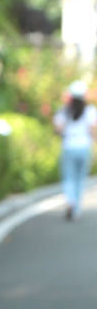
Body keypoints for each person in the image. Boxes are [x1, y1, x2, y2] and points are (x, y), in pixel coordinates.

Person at [53, 79, 96, 220]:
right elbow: (93, 131)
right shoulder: (90, 111)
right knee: (80, 179)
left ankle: (70, 201)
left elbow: (58, 129)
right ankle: (76, 209)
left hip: (69, 147)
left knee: (69, 178)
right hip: (84, 147)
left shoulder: (64, 111)